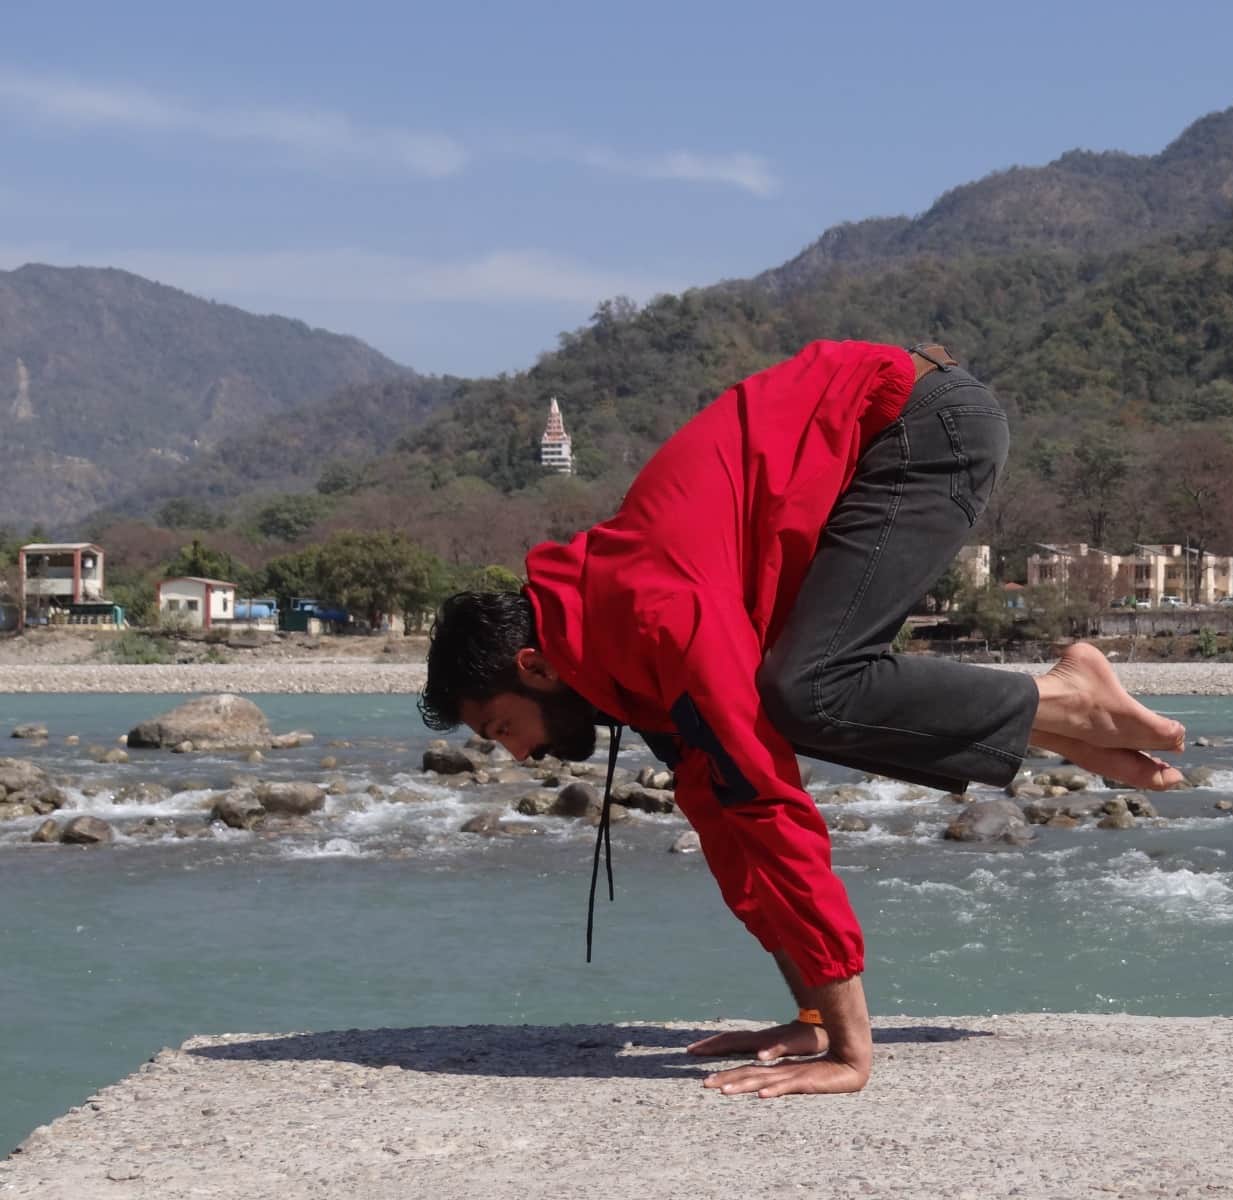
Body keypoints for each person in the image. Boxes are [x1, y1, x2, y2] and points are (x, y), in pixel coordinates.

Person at [418, 340, 1186, 1098]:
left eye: (500, 730)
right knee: (794, 702)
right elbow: (722, 820)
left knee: (808, 692)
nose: (516, 756)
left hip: (917, 425)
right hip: (881, 441)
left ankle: (1069, 700)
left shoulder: (654, 613)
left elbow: (767, 807)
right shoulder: (614, 652)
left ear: (534, 668)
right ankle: (1060, 722)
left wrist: (851, 1054)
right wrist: (812, 1013)